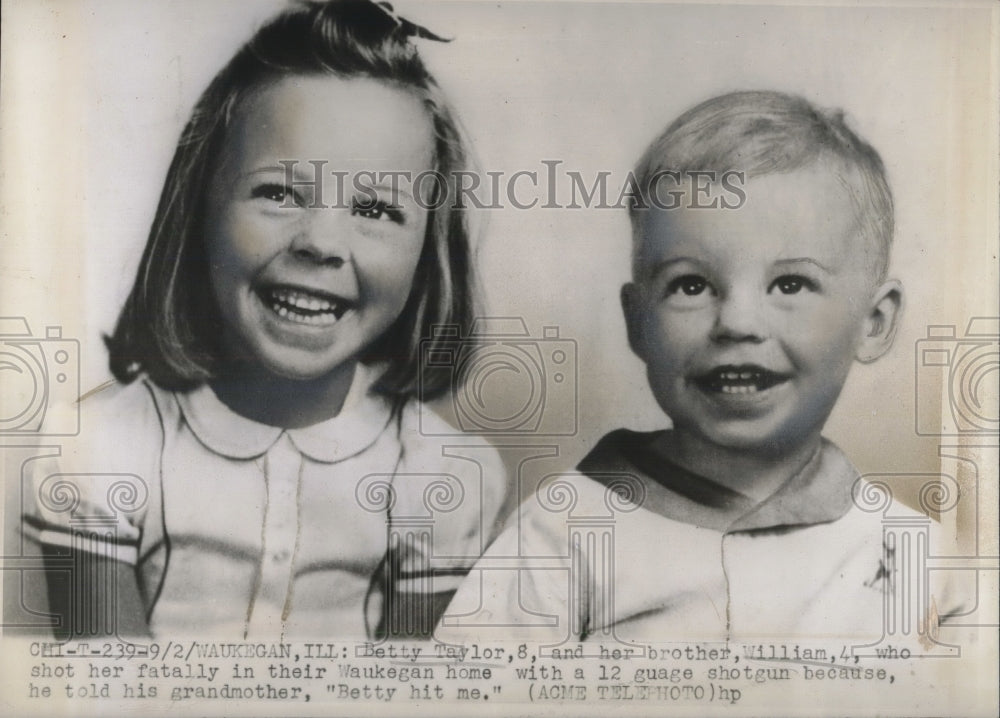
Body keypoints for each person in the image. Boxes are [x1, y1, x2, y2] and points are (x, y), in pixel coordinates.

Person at [22, 0, 505, 640]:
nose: (322, 243)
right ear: (199, 210)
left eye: (377, 210)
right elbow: (105, 689)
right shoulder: (103, 450)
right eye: (279, 193)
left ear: (430, 253)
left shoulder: (441, 475)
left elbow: (413, 697)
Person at [440, 90, 962, 644]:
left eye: (790, 284)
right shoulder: (563, 533)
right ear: (637, 323)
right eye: (691, 285)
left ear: (874, 322)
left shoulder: (918, 558)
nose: (737, 322)